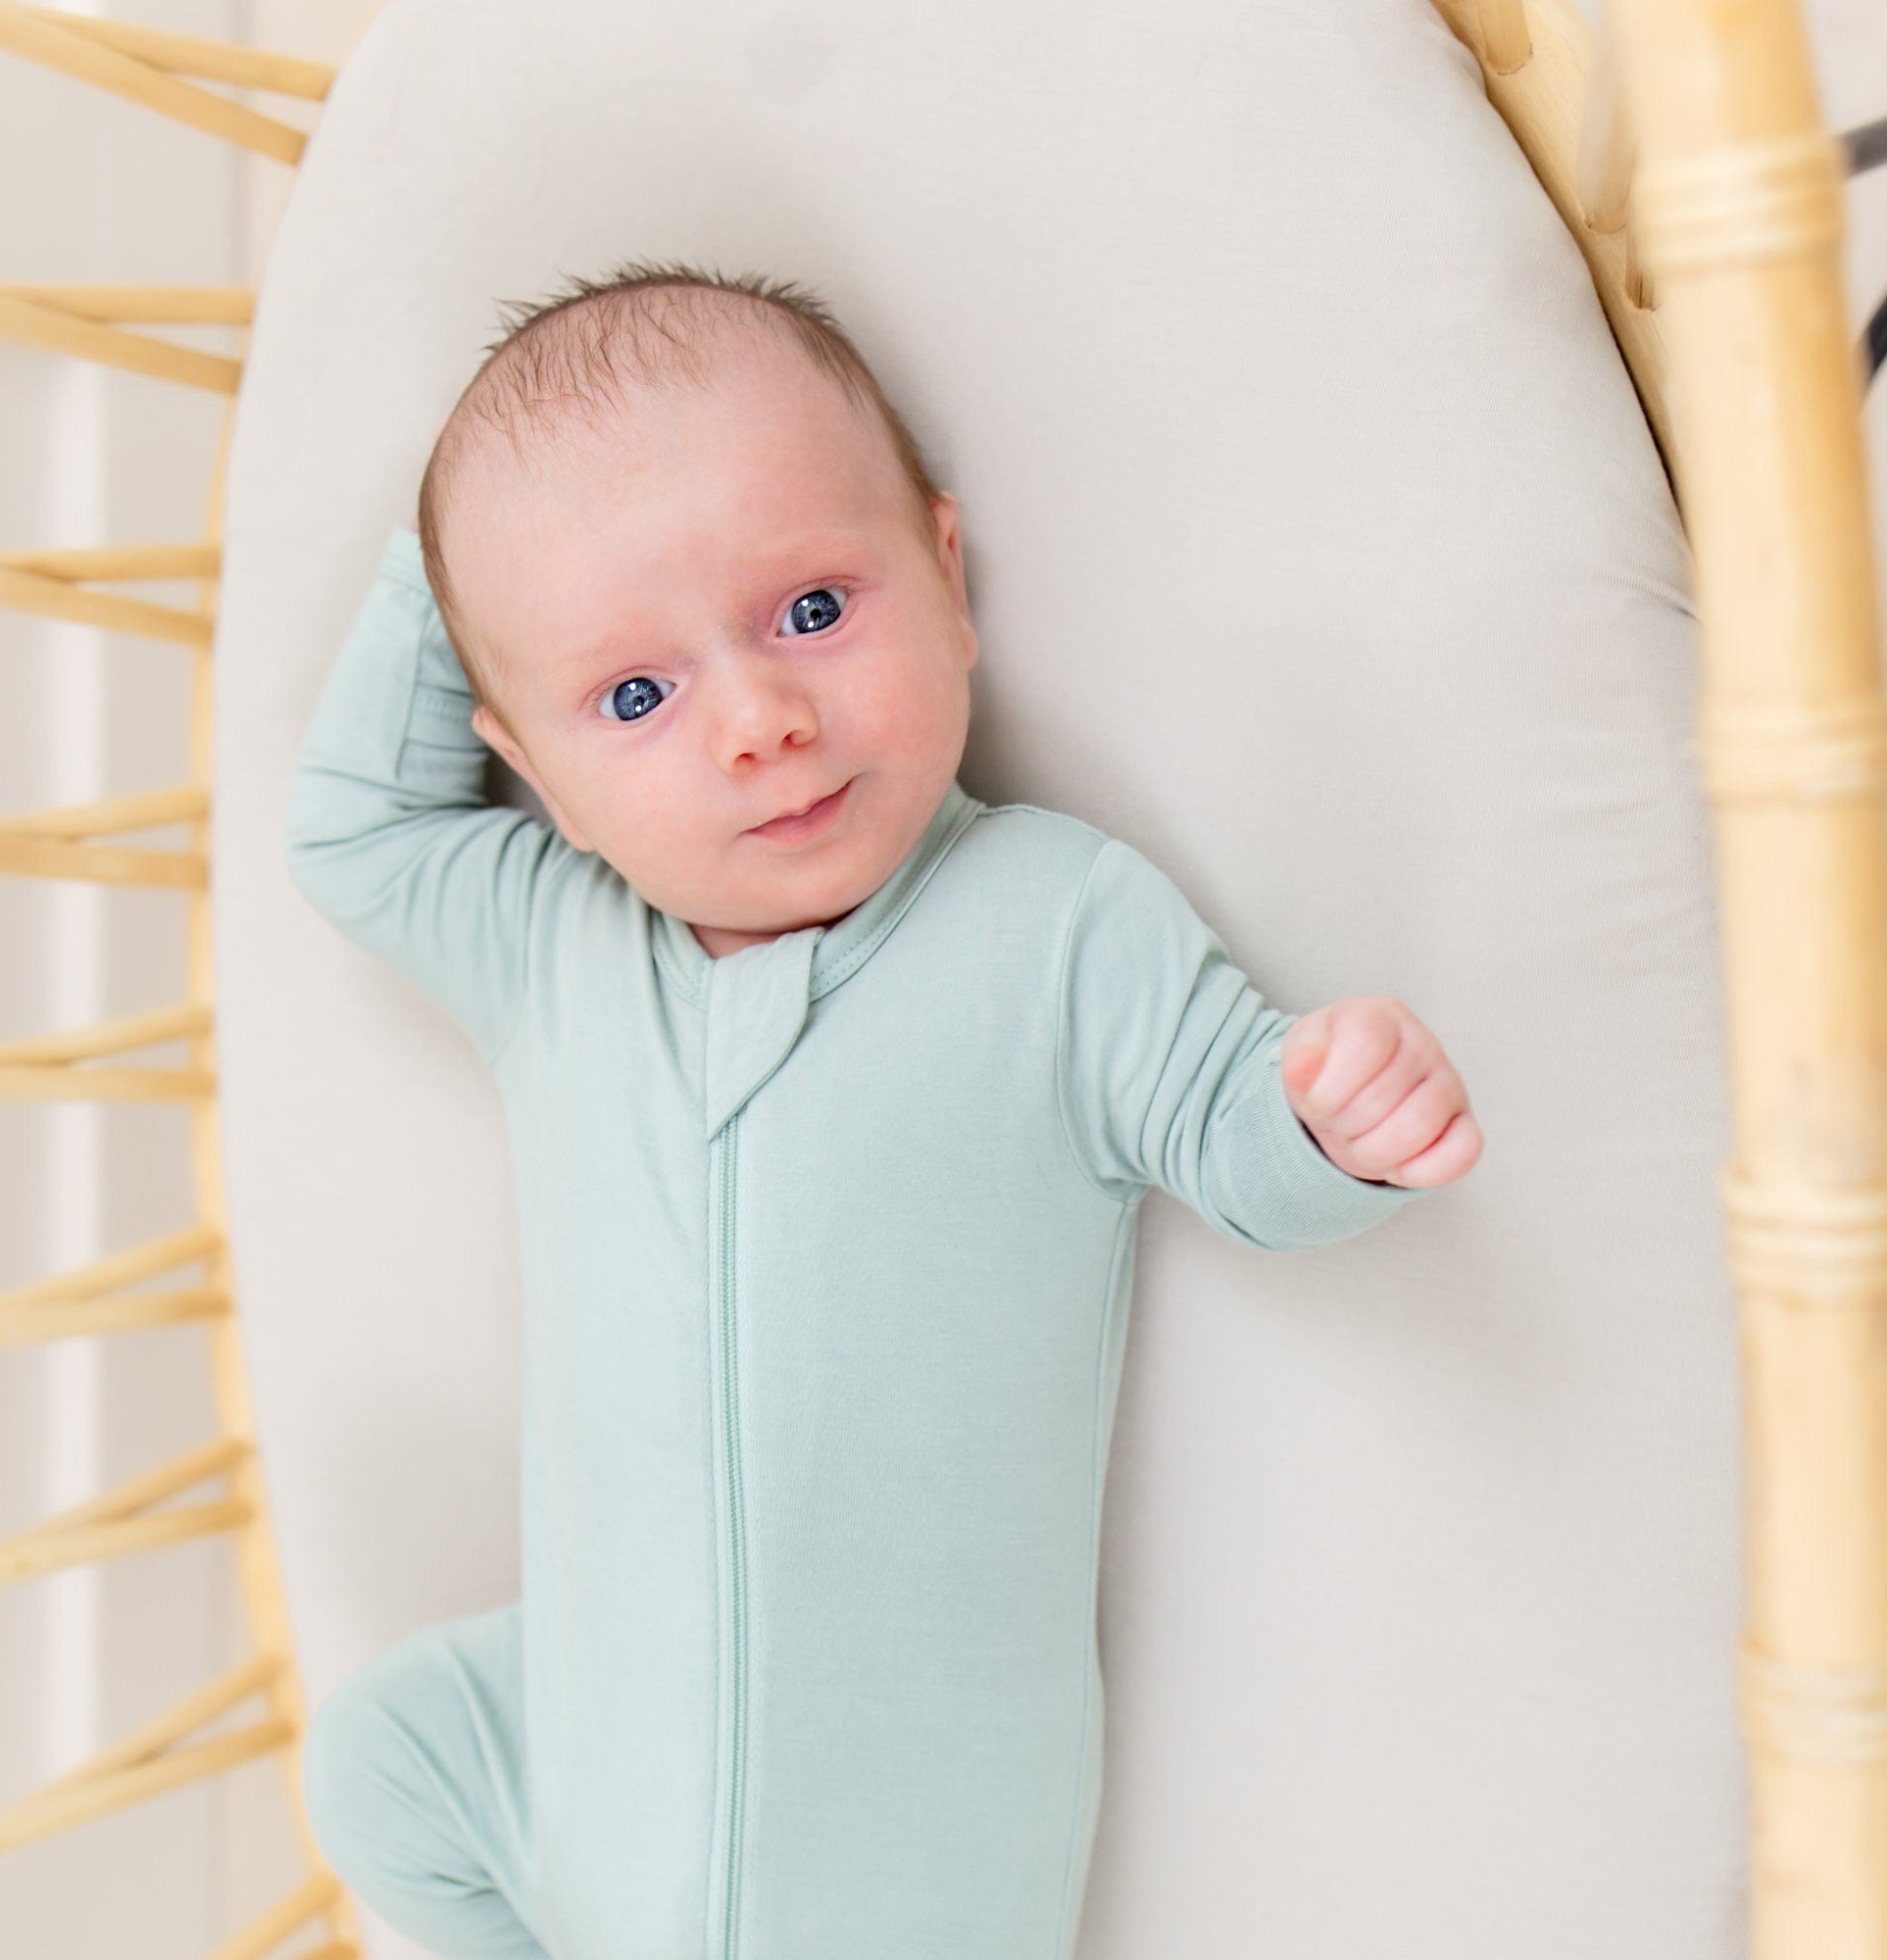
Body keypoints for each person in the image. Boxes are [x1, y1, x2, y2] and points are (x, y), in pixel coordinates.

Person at [289, 259, 1482, 1960]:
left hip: (909, 1829)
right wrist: (463, 538)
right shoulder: (547, 939)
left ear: (946, 572)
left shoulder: (1051, 920)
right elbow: (350, 833)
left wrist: (1328, 1118)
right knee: (387, 1763)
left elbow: (1229, 1132)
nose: (762, 724)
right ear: (538, 780)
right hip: (582, 1750)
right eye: (637, 696)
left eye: (811, 612)